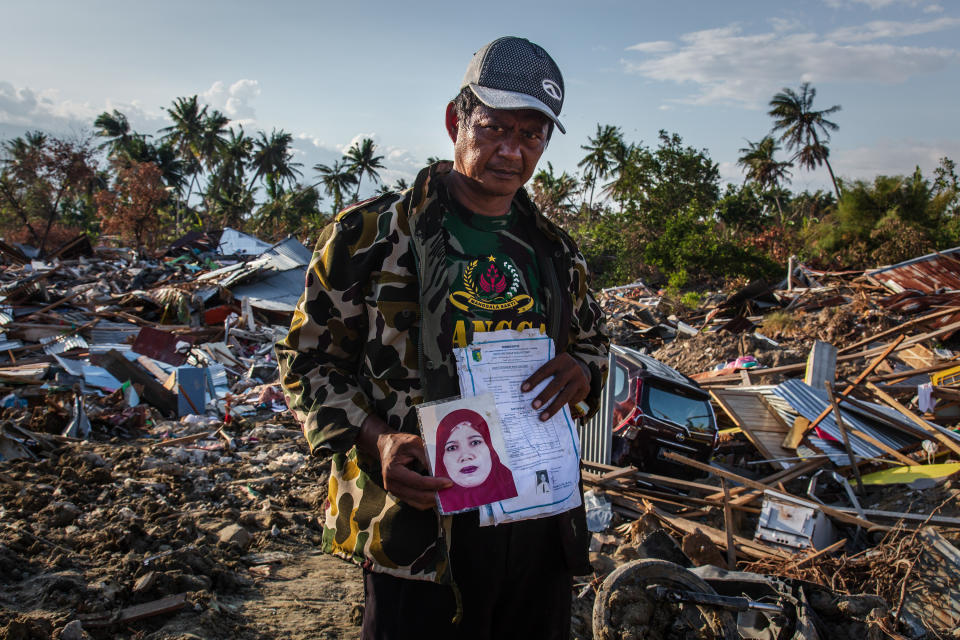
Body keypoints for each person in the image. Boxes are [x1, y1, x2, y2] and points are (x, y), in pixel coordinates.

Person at [276, 35, 608, 640]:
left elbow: (594, 345)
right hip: (421, 530)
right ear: (456, 119)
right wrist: (376, 441)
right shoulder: (371, 237)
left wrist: (582, 369)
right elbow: (308, 364)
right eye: (494, 128)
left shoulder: (555, 252)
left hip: (536, 527)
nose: (511, 151)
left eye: (531, 135)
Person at [433, 409, 518, 513]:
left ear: (490, 448)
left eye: (475, 442)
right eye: (452, 448)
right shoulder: (435, 501)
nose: (465, 456)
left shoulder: (518, 485)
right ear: (441, 459)